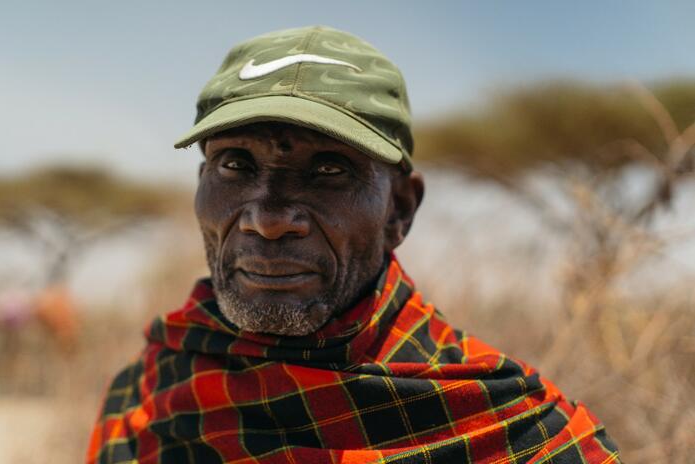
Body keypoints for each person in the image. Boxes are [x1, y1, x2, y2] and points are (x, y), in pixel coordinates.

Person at [87, 26, 620, 463]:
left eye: (328, 169)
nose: (268, 218)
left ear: (400, 210)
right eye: (235, 164)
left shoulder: (521, 437)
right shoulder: (148, 392)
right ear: (201, 182)